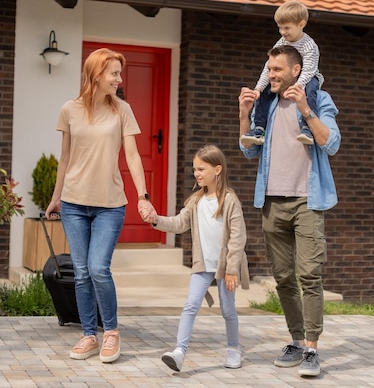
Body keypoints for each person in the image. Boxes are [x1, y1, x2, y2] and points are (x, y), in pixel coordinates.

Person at [45, 47, 155, 364]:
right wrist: (55, 198)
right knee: (81, 272)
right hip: (74, 203)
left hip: (110, 204)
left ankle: (111, 333)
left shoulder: (122, 110)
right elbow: (64, 159)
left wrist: (142, 195)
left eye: (120, 73)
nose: (120, 79)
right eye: (114, 73)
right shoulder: (70, 110)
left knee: (98, 269)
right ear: (96, 74)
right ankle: (89, 335)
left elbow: (133, 156)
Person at [238, 45, 341, 377]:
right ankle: (296, 340)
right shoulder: (266, 104)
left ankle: (312, 349)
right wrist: (244, 113)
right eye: (269, 69)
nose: (271, 75)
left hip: (306, 202)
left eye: (277, 70)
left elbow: (331, 142)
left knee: (310, 275)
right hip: (271, 201)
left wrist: (305, 108)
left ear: (296, 70)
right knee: (283, 277)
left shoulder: (319, 99)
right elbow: (248, 151)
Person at [143, 145, 249, 372]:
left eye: (201, 169)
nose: (197, 173)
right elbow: (178, 223)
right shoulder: (195, 200)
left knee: (228, 310)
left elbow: (238, 238)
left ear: (217, 169)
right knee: (190, 305)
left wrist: (232, 269)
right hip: (202, 265)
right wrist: (156, 219)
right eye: (194, 170)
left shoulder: (229, 200)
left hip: (225, 267)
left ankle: (233, 349)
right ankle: (179, 352)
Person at [240, 0, 324, 147]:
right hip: (293, 80)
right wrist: (258, 88)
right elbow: (269, 66)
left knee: (310, 91)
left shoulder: (309, 45)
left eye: (286, 28)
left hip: (308, 77)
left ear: (301, 24)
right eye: (280, 28)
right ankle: (259, 128)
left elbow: (309, 70)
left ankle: (307, 128)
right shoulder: (281, 42)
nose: (283, 32)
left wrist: (296, 87)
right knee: (265, 93)